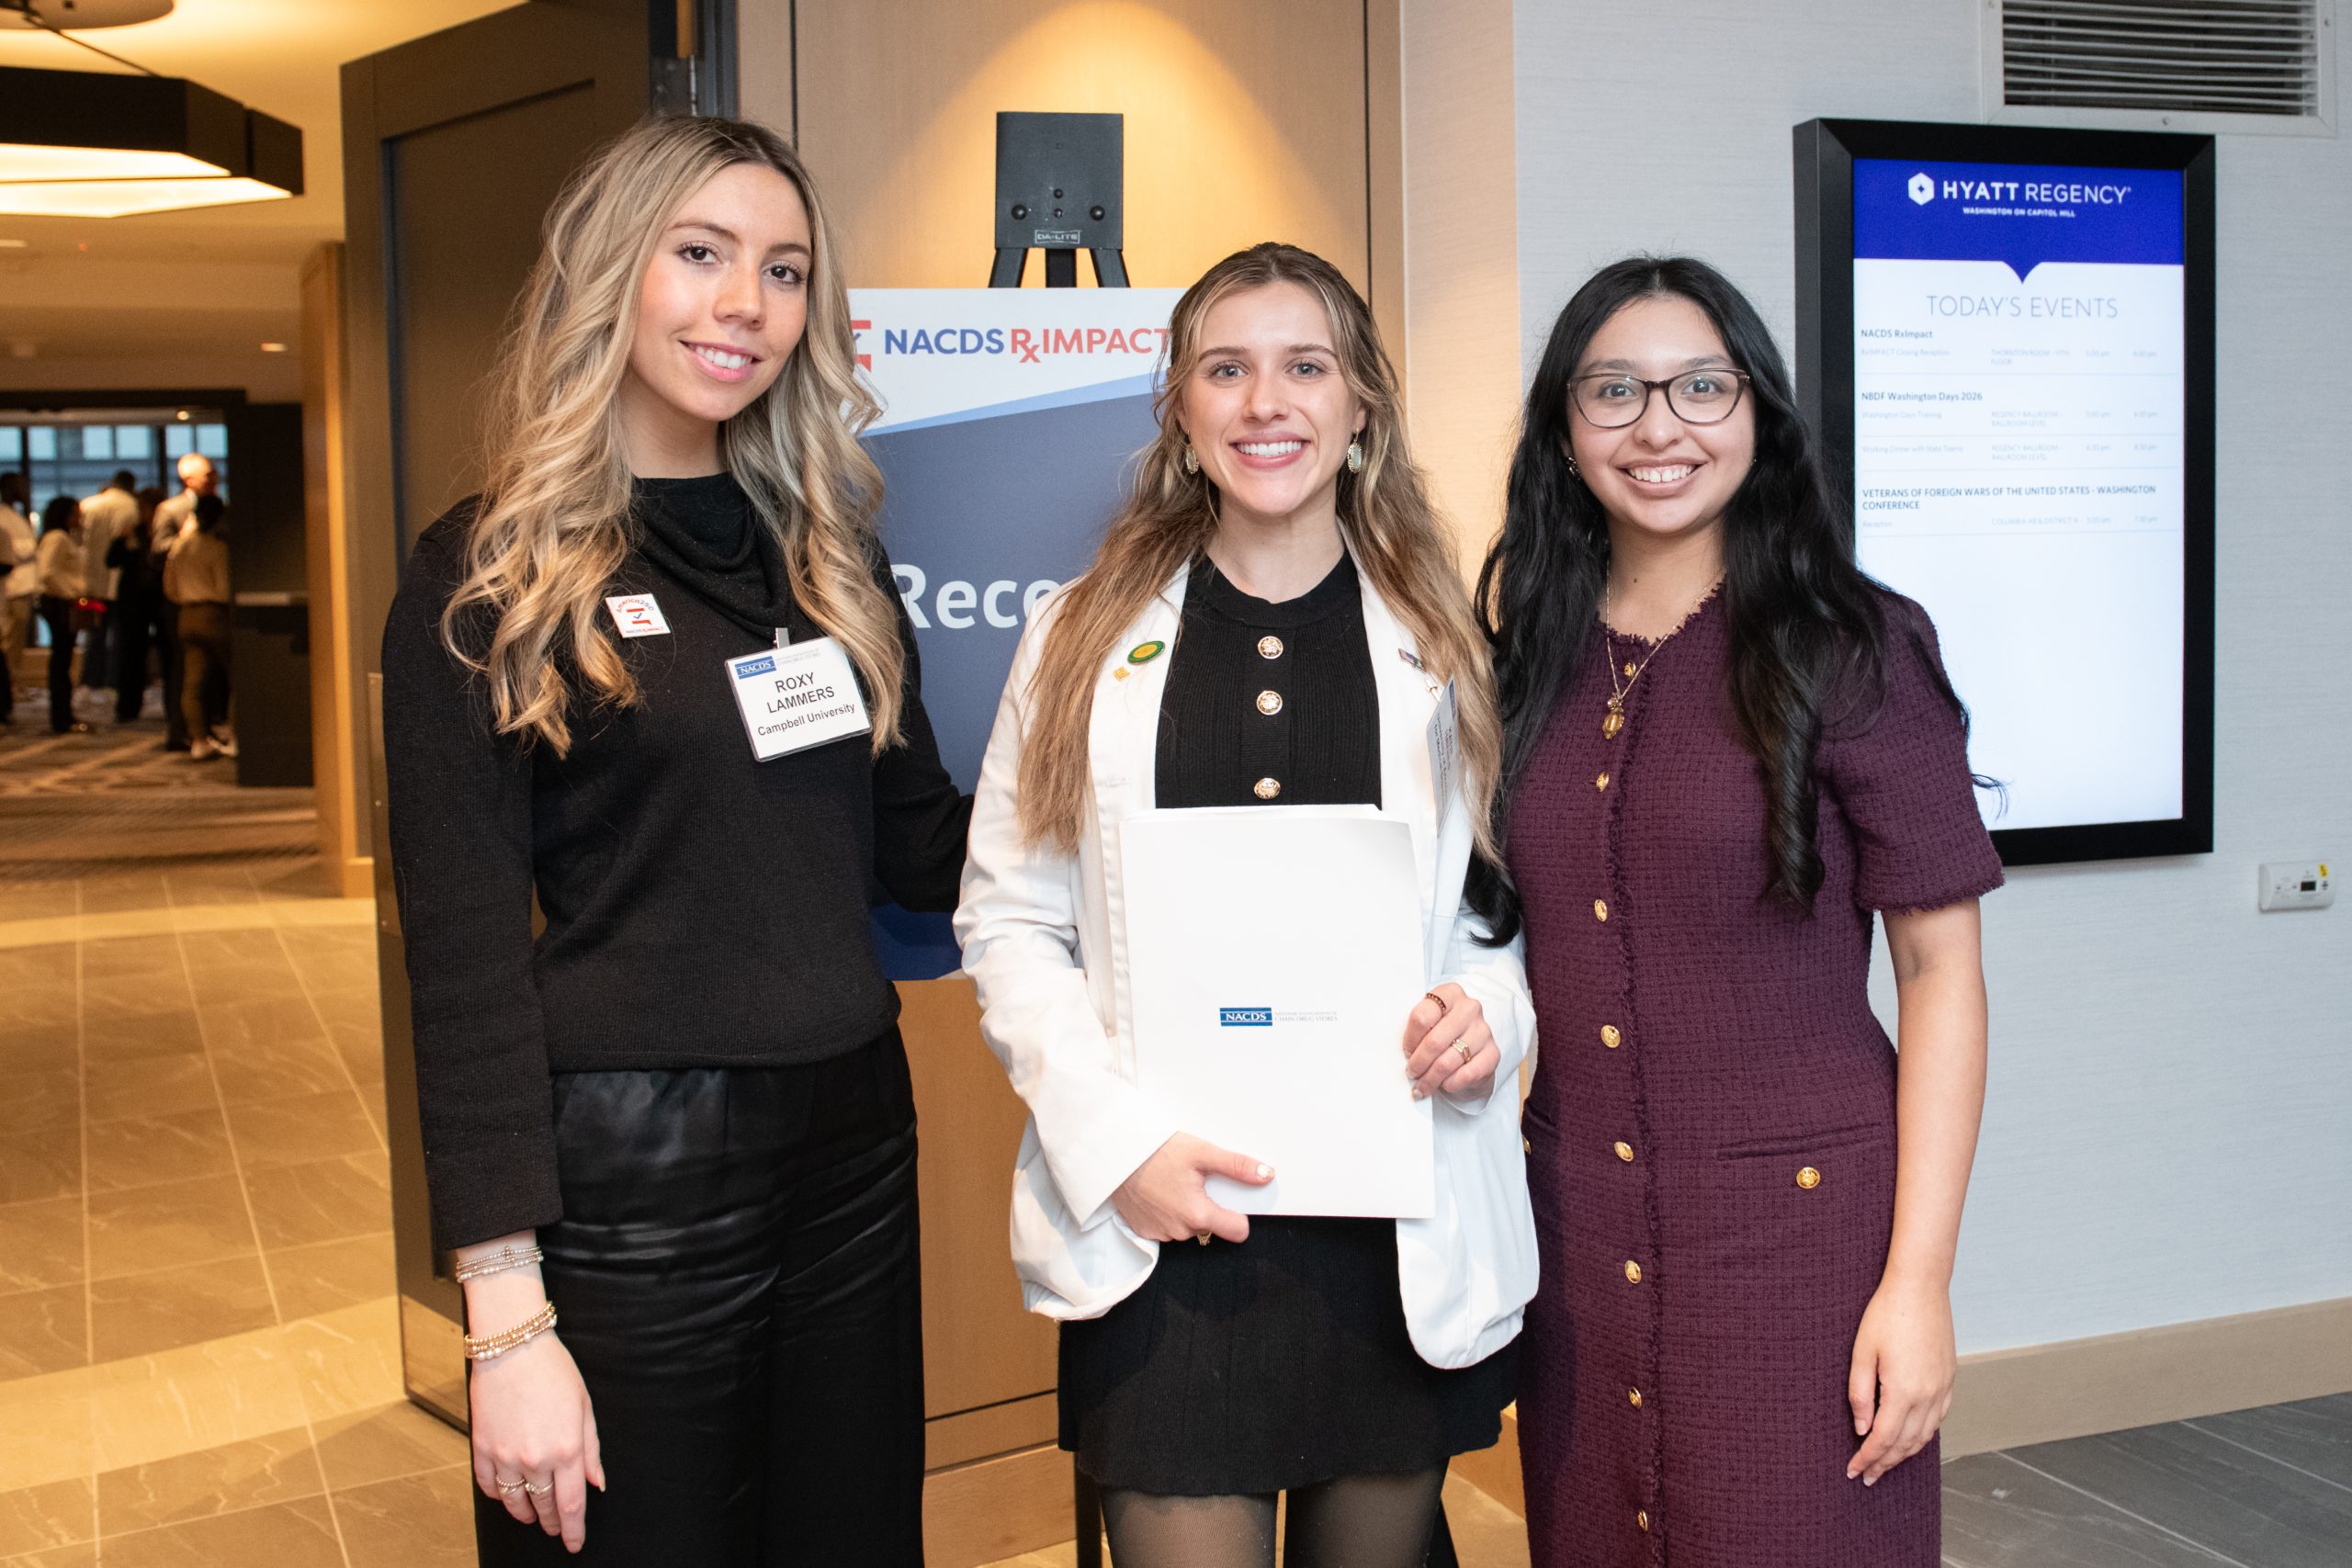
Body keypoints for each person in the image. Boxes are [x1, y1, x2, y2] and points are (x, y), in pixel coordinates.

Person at [380, 114, 967, 1565]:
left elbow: (927, 856)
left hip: (851, 1144)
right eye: (698, 254)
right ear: (610, 271)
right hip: (626, 1182)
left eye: (782, 270)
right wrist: (505, 1318)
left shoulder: (830, 552)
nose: (743, 306)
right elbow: (461, 971)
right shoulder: (491, 570)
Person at [956, 243, 1537, 1568]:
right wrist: (1118, 1144)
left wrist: (1483, 1009)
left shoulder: (1447, 642)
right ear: (1179, 406)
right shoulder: (1079, 635)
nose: (1265, 401)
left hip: (1385, 1230)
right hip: (1167, 1230)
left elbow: (1498, 917)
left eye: (1304, 366)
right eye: (1227, 367)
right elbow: (1008, 919)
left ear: (1362, 407)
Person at [1477, 256, 2000, 1568]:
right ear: (1564, 427)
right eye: (1615, 392)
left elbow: (1941, 971)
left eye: (1700, 386)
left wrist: (1918, 1282)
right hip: (1579, 1228)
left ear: (1758, 410)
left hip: (1803, 1239)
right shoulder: (1523, 650)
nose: (1660, 427)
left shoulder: (1853, 642)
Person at [152, 452, 216, 750]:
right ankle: (181, 730)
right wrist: (185, 539)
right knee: (183, 671)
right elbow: (158, 550)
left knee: (208, 675)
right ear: (188, 479)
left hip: (212, 600)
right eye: (208, 475)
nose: (213, 480)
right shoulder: (171, 509)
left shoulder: (219, 505)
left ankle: (207, 729)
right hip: (183, 603)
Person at [164, 492, 235, 760]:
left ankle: (198, 739)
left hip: (186, 613)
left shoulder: (179, 546)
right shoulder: (217, 548)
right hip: (214, 613)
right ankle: (236, 735)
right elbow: (224, 587)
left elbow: (169, 587)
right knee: (234, 676)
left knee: (193, 681)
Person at [74, 468, 139, 712]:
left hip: (91, 583)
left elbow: (80, 543)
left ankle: (90, 682)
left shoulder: (90, 505)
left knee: (95, 633)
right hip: (117, 584)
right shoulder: (128, 506)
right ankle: (111, 683)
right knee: (118, 636)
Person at [108, 486, 170, 722]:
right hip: (134, 602)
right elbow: (111, 560)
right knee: (132, 654)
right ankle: (128, 707)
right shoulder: (133, 533)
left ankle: (172, 708)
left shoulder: (164, 532)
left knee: (169, 654)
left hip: (160, 597)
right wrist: (123, 542)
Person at [33, 495, 89, 736]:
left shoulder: (63, 538)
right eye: (77, 513)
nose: (81, 518)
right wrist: (70, 595)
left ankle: (64, 715)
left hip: (62, 601)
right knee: (61, 661)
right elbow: (47, 573)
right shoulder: (57, 538)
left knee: (63, 660)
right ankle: (61, 717)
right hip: (59, 604)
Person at [0, 474, 35, 727]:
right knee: (9, 642)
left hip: (21, 586)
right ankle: (8, 688)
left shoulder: (17, 516)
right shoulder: (3, 517)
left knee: (15, 641)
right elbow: (18, 552)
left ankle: (11, 686)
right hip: (11, 589)